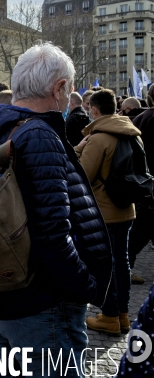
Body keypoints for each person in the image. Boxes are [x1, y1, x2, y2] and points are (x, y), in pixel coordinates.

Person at [0, 43, 112, 375]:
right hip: (40, 305)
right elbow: (53, 234)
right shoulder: (39, 135)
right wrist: (86, 285)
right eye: (69, 91)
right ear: (59, 89)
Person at [75, 89, 139, 336]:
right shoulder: (131, 133)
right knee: (122, 263)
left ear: (94, 109)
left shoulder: (99, 138)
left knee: (106, 265)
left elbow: (83, 175)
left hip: (104, 211)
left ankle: (110, 315)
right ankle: (122, 315)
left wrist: (78, 150)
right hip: (126, 208)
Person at [128, 85, 154, 285]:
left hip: (143, 183)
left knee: (137, 234)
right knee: (139, 233)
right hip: (148, 184)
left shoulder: (139, 120)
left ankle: (126, 268)